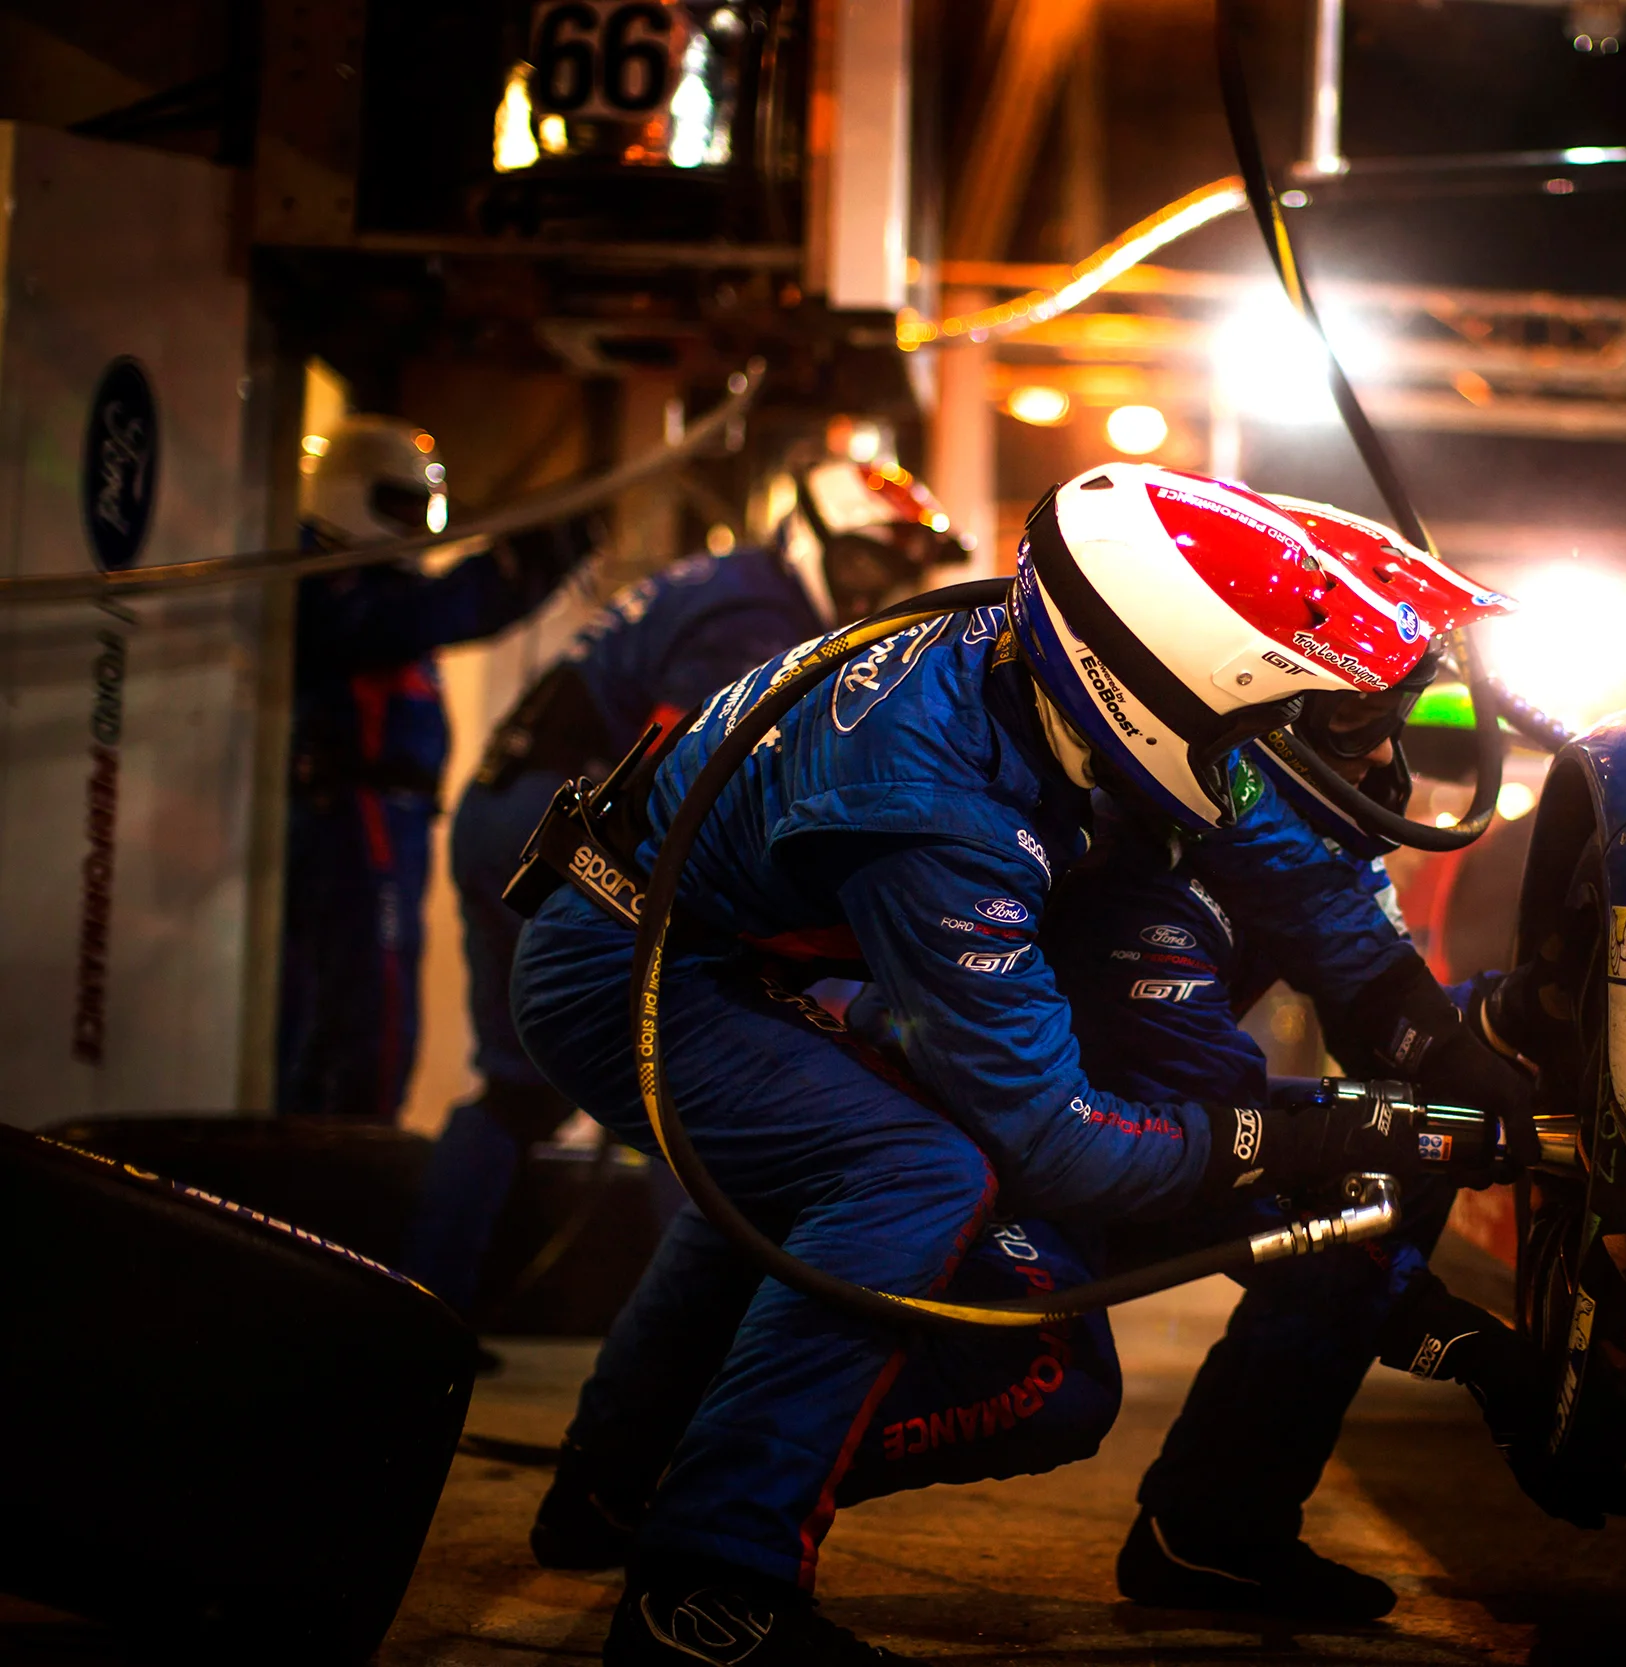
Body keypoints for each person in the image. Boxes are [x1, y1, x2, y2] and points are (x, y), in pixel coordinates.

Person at [503, 464, 1529, 1665]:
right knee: (914, 1178)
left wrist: (1429, 1035)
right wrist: (1321, 1134)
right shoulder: (942, 809)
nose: (1315, 755)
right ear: (1179, 688)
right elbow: (1057, 1138)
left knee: (828, 1157)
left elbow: (1283, 856)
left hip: (727, 937)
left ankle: (613, 1484)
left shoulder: (1083, 680)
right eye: (1299, 720)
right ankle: (703, 1584)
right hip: (624, 966)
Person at [397, 451, 964, 1319]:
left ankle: (417, 1310)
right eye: (865, 563)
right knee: (692, 1081)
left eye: (899, 571)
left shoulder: (742, 587)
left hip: (517, 811)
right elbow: (714, 785)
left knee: (521, 1088)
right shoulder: (757, 612)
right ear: (809, 539)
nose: (875, 590)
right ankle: (691, 1340)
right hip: (555, 827)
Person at [278, 416, 596, 1119]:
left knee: (368, 1011)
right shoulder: (322, 580)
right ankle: (339, 1177)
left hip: (386, 823)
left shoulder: (362, 583)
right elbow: (446, 609)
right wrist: (529, 562)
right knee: (367, 1012)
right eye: (398, 506)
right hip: (355, 824)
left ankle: (339, 1168)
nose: (416, 526)